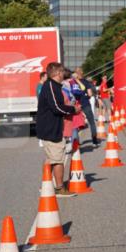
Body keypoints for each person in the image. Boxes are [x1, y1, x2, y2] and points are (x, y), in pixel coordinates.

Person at [36, 62, 78, 196]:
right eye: (61, 72)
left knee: (51, 158)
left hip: (52, 127)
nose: (63, 74)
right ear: (57, 73)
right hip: (51, 129)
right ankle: (59, 188)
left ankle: (47, 184)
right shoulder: (51, 86)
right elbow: (56, 107)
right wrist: (73, 109)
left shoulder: (53, 86)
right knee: (58, 159)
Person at [73, 68, 99, 145]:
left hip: (76, 105)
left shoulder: (72, 82)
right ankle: (94, 140)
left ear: (76, 73)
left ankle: (76, 142)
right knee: (92, 122)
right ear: (82, 73)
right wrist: (86, 96)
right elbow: (90, 94)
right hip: (85, 104)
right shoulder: (86, 82)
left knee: (75, 124)